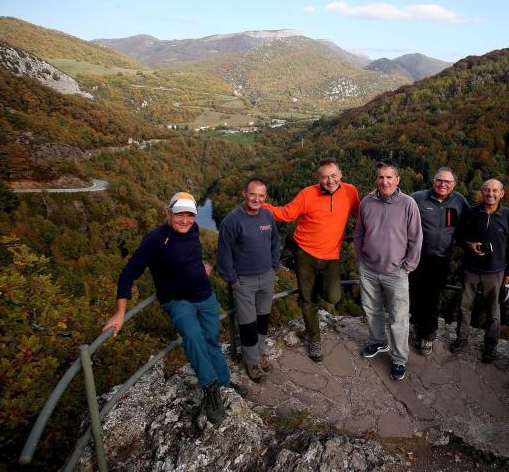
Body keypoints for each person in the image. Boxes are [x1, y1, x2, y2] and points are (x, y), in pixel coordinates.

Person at [103, 192, 236, 424]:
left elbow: (189, 253)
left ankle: (225, 384)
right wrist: (120, 311)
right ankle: (211, 390)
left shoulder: (193, 230)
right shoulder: (155, 239)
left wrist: (200, 264)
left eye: (190, 215)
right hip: (177, 301)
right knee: (193, 336)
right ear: (168, 213)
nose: (185, 220)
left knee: (212, 339)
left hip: (205, 296)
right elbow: (127, 274)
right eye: (179, 214)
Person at [262, 158, 360, 362]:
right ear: (318, 178)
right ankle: (314, 340)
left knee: (333, 296)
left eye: (333, 175)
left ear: (340, 174)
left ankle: (314, 295)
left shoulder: (350, 191)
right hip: (305, 253)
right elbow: (287, 214)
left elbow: (362, 215)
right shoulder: (308, 193)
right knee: (308, 300)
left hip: (331, 255)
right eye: (325, 177)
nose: (330, 180)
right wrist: (261, 205)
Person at [354, 160, 423, 381]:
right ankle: (377, 342)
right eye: (381, 177)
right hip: (369, 268)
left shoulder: (408, 204)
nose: (385, 181)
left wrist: (408, 267)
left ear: (397, 180)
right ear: (376, 179)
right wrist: (361, 259)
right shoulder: (366, 202)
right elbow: (359, 234)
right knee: (372, 309)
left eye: (389, 177)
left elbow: (416, 238)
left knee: (399, 317)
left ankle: (399, 359)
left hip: (396, 272)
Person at [217, 178, 280, 382]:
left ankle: (259, 354)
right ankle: (251, 362)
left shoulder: (267, 216)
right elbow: (223, 253)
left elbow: (274, 243)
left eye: (261, 196)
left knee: (262, 319)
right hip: (243, 281)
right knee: (248, 323)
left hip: (266, 277)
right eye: (252, 194)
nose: (256, 199)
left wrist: (274, 268)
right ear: (244, 193)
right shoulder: (232, 220)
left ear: (265, 197)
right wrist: (232, 279)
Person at [450, 179, 509, 363]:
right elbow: (458, 236)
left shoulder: (507, 215)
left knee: (493, 312)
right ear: (482, 192)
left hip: (495, 271)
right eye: (487, 190)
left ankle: (490, 347)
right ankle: (461, 339)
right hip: (471, 269)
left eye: (495, 191)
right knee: (464, 307)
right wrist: (469, 245)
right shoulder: (472, 212)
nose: (491, 194)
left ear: (502, 193)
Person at [409, 167, 469, 355]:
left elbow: (469, 223)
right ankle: (418, 328)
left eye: (447, 182)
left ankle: (428, 336)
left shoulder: (459, 202)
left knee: (433, 298)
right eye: (439, 180)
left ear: (454, 185)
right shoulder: (418, 198)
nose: (443, 184)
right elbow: (399, 209)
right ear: (433, 181)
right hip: (416, 258)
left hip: (441, 259)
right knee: (416, 296)